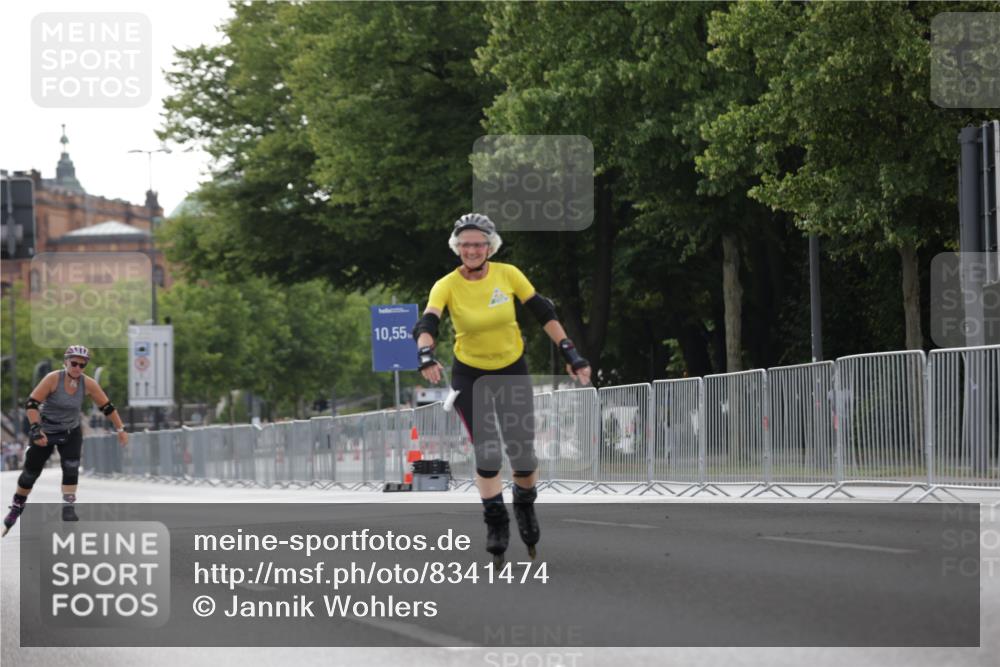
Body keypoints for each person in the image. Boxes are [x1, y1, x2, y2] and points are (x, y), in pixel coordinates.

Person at [413, 213, 591, 562]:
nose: (472, 250)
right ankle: (495, 520)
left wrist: (571, 353)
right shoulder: (446, 284)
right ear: (457, 248)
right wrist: (425, 354)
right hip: (470, 374)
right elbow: (429, 320)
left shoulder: (508, 274)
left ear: (490, 246)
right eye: (465, 244)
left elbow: (543, 311)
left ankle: (524, 505)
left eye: (479, 243)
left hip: (511, 368)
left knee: (522, 453)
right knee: (489, 451)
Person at [2, 345, 129, 536]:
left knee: (71, 466)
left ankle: (68, 507)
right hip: (46, 429)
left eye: (82, 365)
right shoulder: (53, 379)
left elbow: (107, 407)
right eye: (74, 363)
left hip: (71, 431)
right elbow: (31, 404)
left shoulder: (88, 384)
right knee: (30, 474)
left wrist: (120, 429)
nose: (77, 368)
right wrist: (36, 429)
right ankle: (17, 505)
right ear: (66, 361)